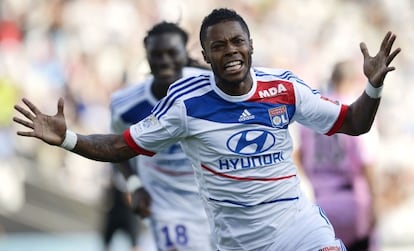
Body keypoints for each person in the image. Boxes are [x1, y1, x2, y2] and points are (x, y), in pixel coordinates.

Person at [13, 8, 400, 251]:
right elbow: (120, 146)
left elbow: (354, 122)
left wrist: (373, 86)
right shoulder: (185, 104)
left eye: (237, 41)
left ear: (250, 45)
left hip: (296, 226)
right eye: (219, 46)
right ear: (205, 55)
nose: (230, 50)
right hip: (236, 240)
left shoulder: (284, 88)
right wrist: (66, 138)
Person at [110, 21, 213, 251]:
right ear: (146, 55)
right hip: (168, 208)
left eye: (171, 53)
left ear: (184, 52)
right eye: (156, 54)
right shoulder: (125, 104)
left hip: (218, 200)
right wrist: (134, 185)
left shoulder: (210, 87)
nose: (164, 60)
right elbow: (116, 149)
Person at [293, 60, 379, 251]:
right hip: (351, 201)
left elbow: (297, 154)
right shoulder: (357, 110)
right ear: (350, 81)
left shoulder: (315, 108)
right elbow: (367, 161)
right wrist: (375, 202)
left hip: (318, 202)